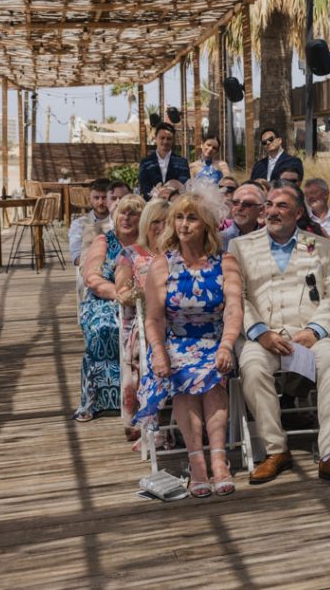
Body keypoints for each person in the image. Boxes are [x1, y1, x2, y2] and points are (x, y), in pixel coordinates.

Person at [229, 181, 330, 488]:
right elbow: (238, 296)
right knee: (252, 366)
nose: (273, 212)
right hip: (263, 334)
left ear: (299, 212)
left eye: (282, 206)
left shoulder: (321, 245)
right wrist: (260, 332)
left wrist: (314, 331)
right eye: (269, 206)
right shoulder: (241, 246)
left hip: (309, 332)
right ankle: (276, 451)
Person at [135, 190, 243, 498]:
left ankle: (219, 460)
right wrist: (158, 353)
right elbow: (154, 319)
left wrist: (226, 345)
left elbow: (235, 308)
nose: (184, 225)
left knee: (212, 377)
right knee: (181, 377)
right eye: (179, 218)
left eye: (192, 218)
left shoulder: (226, 262)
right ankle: (197, 462)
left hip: (214, 339)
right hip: (176, 342)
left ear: (207, 224)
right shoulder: (162, 265)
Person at [73, 194, 145, 422]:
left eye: (133, 213)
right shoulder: (104, 240)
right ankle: (97, 401)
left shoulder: (147, 243)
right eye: (122, 212)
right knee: (104, 328)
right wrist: (121, 294)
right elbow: (91, 277)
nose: (126, 217)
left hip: (140, 303)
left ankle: (139, 397)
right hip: (103, 300)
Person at [114, 198, 170, 443]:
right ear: (146, 223)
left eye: (166, 222)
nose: (160, 227)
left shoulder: (180, 254)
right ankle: (152, 421)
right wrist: (142, 294)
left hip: (178, 321)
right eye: (155, 222)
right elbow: (122, 292)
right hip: (144, 322)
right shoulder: (130, 255)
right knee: (149, 341)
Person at [138, 123, 190, 199]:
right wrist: (155, 195)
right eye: (162, 138)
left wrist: (167, 193)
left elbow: (184, 185)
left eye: (168, 139)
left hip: (174, 204)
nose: (165, 142)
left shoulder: (182, 162)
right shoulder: (146, 162)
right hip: (152, 205)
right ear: (155, 138)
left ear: (173, 140)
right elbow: (144, 187)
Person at [69, 178, 112, 265]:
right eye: (96, 198)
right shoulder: (79, 224)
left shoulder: (120, 221)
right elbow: (76, 256)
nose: (100, 202)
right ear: (90, 199)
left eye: (104, 198)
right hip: (88, 270)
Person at [220, 183, 265, 251]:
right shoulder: (218, 241)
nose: (240, 208)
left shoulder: (269, 240)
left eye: (247, 204)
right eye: (235, 203)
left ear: (261, 210)